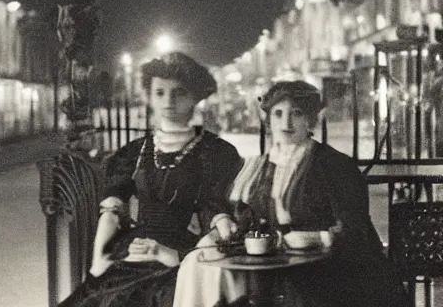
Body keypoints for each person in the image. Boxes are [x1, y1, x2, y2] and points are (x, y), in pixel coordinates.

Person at [173, 80, 409, 307]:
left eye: (296, 113)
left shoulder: (333, 165)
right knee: (199, 265)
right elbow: (219, 202)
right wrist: (223, 220)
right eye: (278, 114)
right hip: (275, 266)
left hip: (334, 269)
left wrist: (319, 238)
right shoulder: (258, 167)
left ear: (311, 120)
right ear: (269, 120)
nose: (286, 123)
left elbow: (355, 229)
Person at [59, 51, 242, 307]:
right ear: (149, 97)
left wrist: (174, 255)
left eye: (179, 93)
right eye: (160, 93)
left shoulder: (215, 152)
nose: (168, 101)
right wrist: (100, 264)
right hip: (135, 249)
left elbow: (215, 217)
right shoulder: (136, 151)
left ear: (195, 98)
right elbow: (112, 209)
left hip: (184, 255)